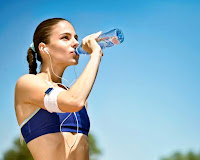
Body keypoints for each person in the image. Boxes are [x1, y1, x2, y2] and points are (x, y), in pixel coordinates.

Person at [14, 18, 103, 160]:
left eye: (76, 38)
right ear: (44, 48)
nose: (75, 43)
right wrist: (95, 55)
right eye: (65, 38)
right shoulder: (27, 83)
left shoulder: (76, 96)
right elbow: (73, 101)